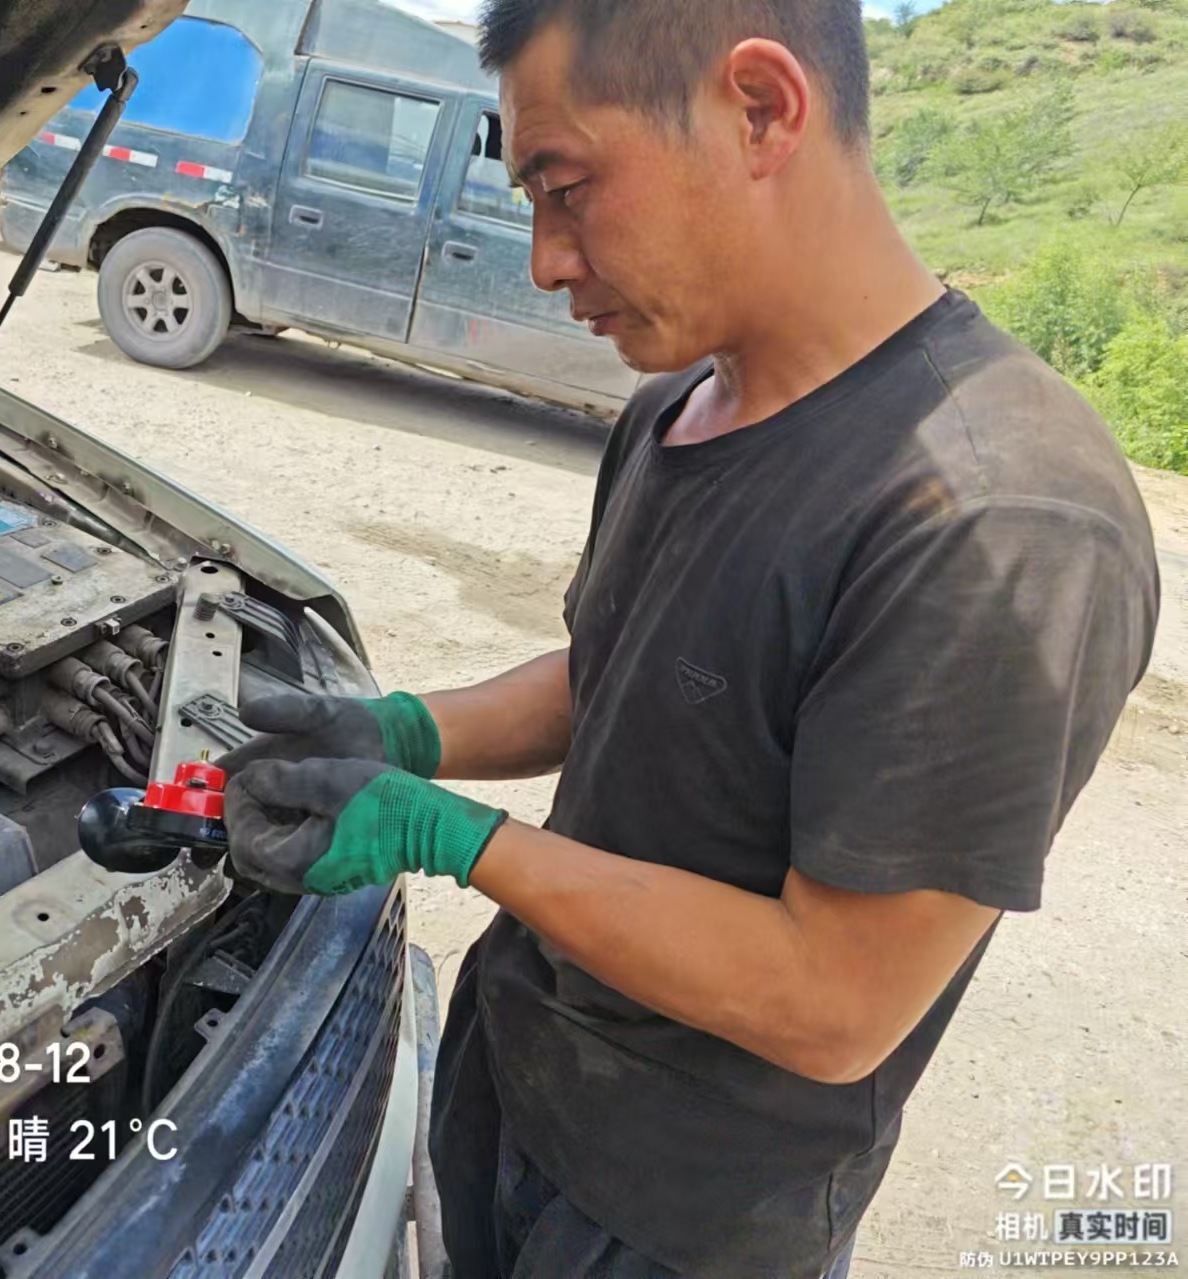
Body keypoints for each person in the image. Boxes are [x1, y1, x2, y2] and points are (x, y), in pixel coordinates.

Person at [216, 1, 1161, 1275]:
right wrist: (404, 733)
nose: (544, 260)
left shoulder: (996, 517)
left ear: (758, 110)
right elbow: (617, 677)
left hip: (677, 1216)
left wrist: (456, 837)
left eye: (566, 188)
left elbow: (832, 1004)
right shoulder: (677, 405)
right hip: (514, 1072)